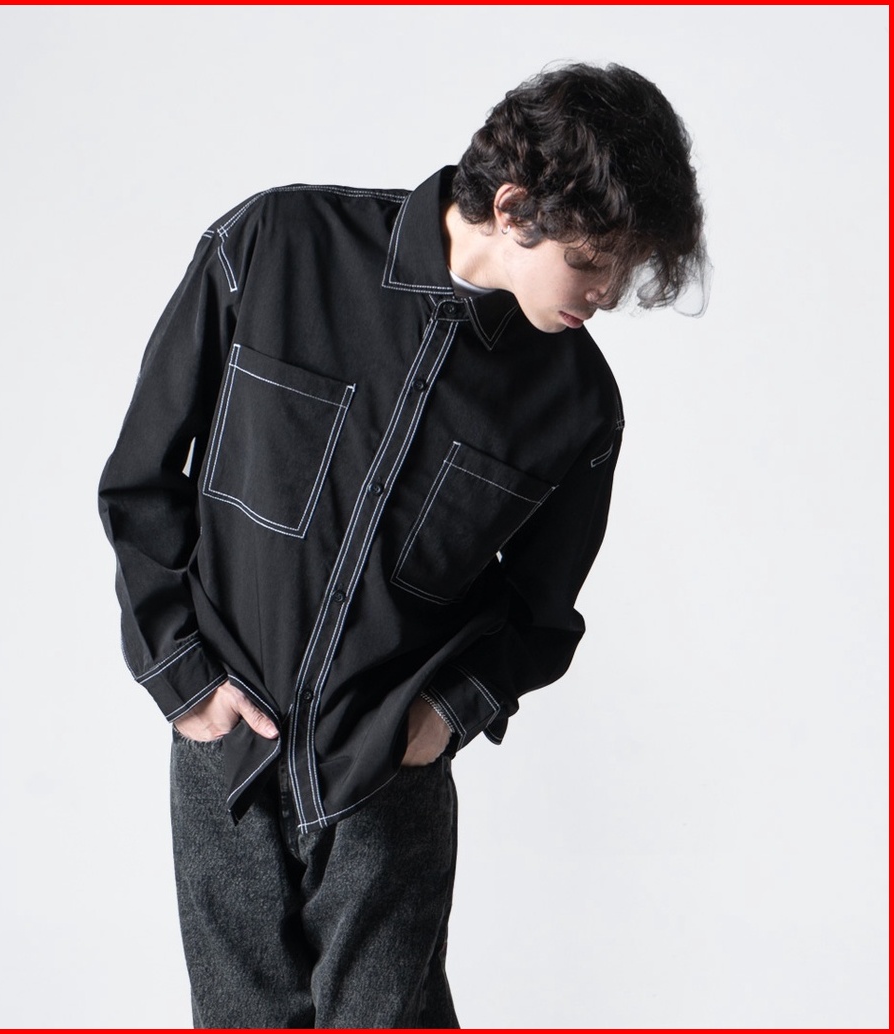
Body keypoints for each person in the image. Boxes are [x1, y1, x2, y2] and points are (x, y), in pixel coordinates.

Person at [98, 61, 707, 1029]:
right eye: (594, 260)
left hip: (386, 783)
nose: (606, 292)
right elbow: (140, 476)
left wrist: (441, 716)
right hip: (226, 760)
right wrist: (182, 677)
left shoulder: (576, 406)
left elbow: (541, 617)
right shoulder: (272, 246)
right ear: (514, 206)